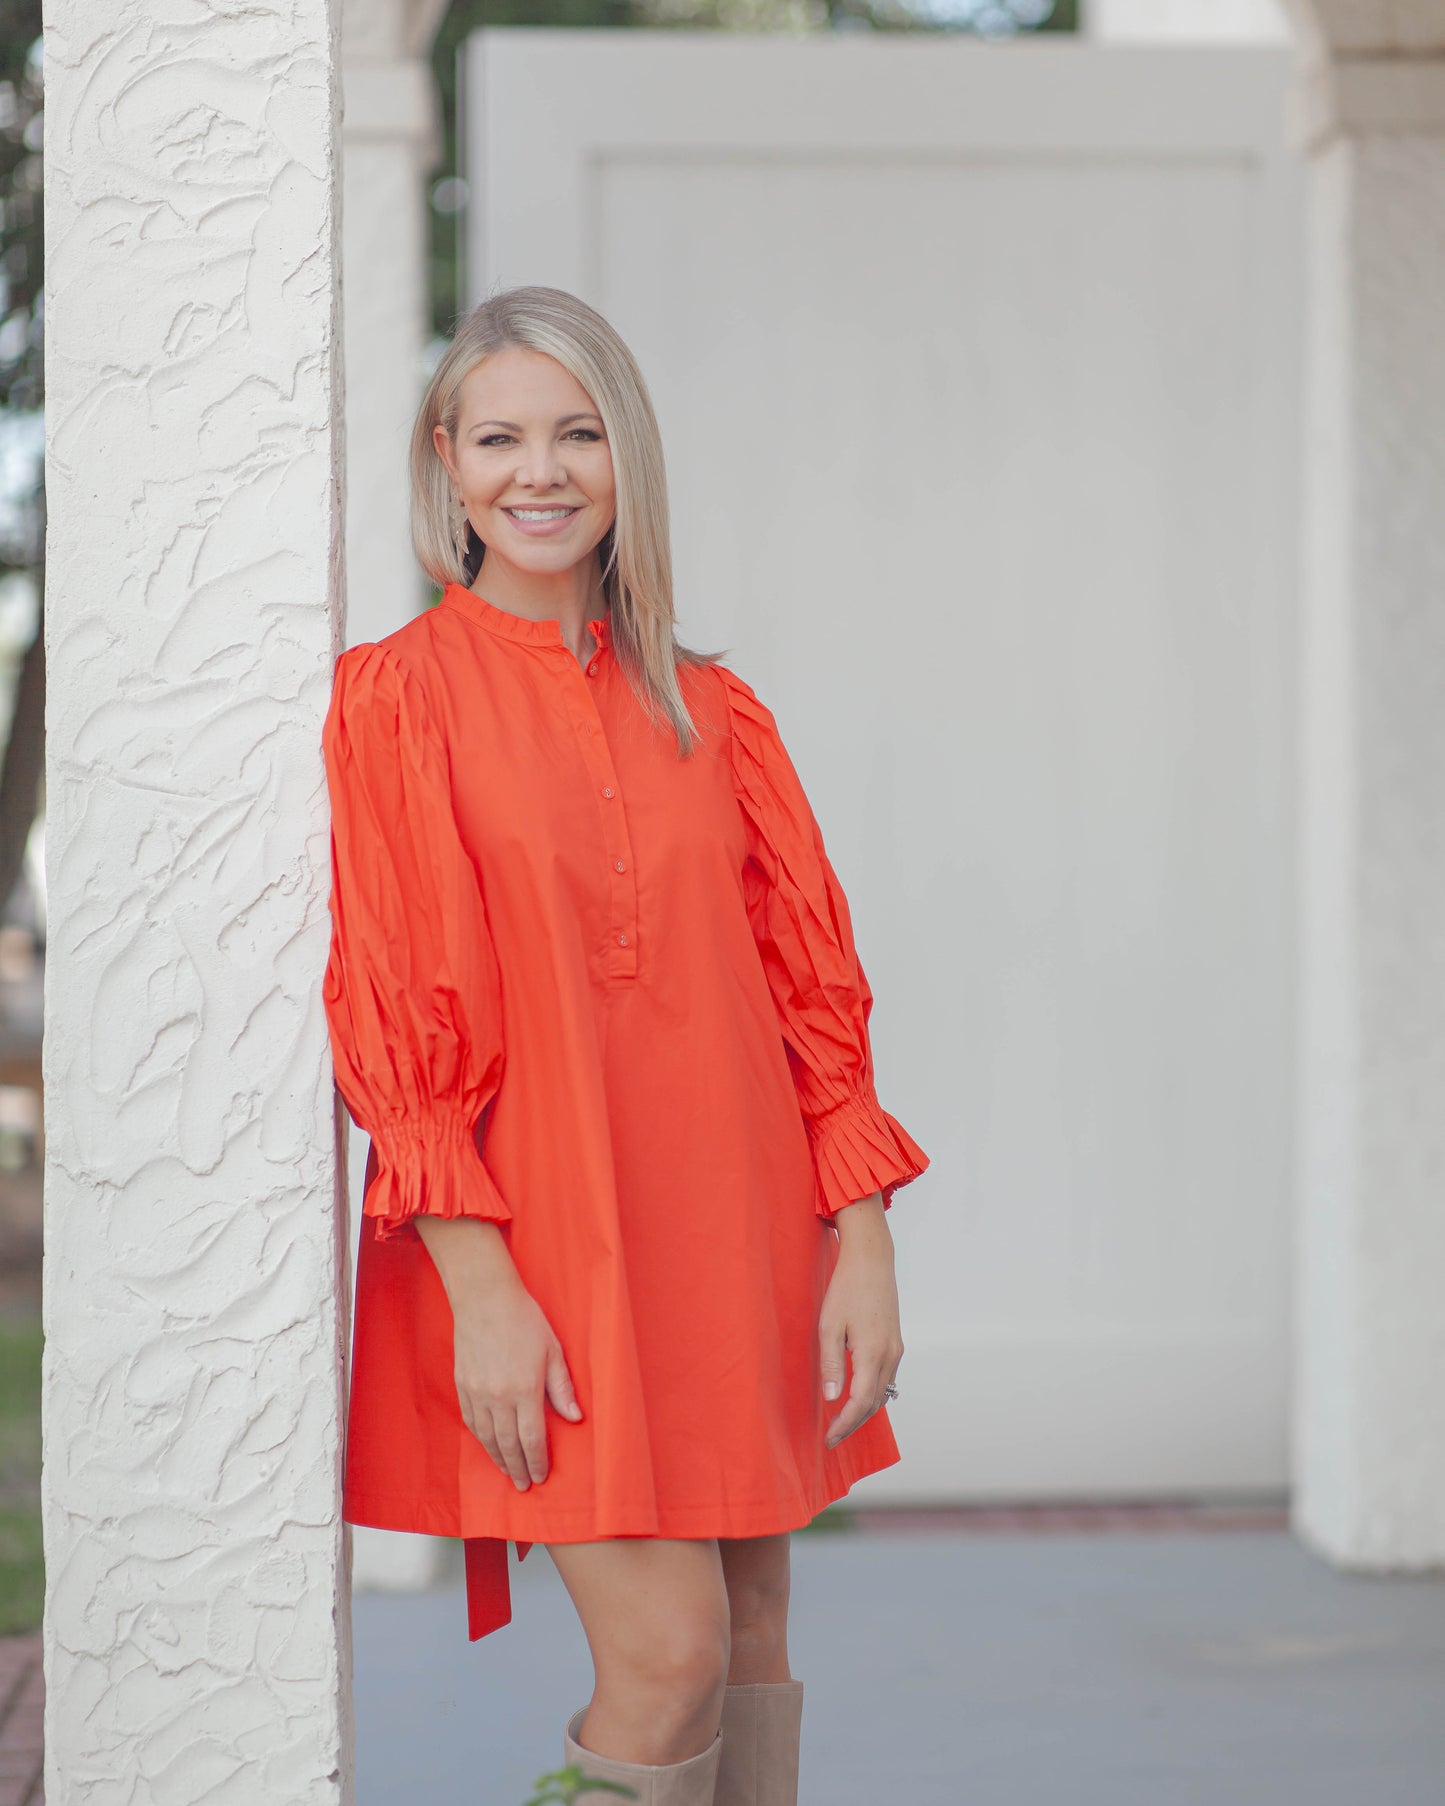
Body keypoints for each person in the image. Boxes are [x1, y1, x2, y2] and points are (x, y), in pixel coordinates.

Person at [321, 286, 930, 1806]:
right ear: (445, 464)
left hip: (731, 1232)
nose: (540, 472)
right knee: (662, 1657)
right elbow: (395, 1011)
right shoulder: (399, 700)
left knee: (752, 1629)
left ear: (625, 460)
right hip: (544, 1253)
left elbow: (811, 999)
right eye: (500, 436)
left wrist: (860, 1240)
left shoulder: (715, 710)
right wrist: (478, 1285)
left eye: (578, 433)